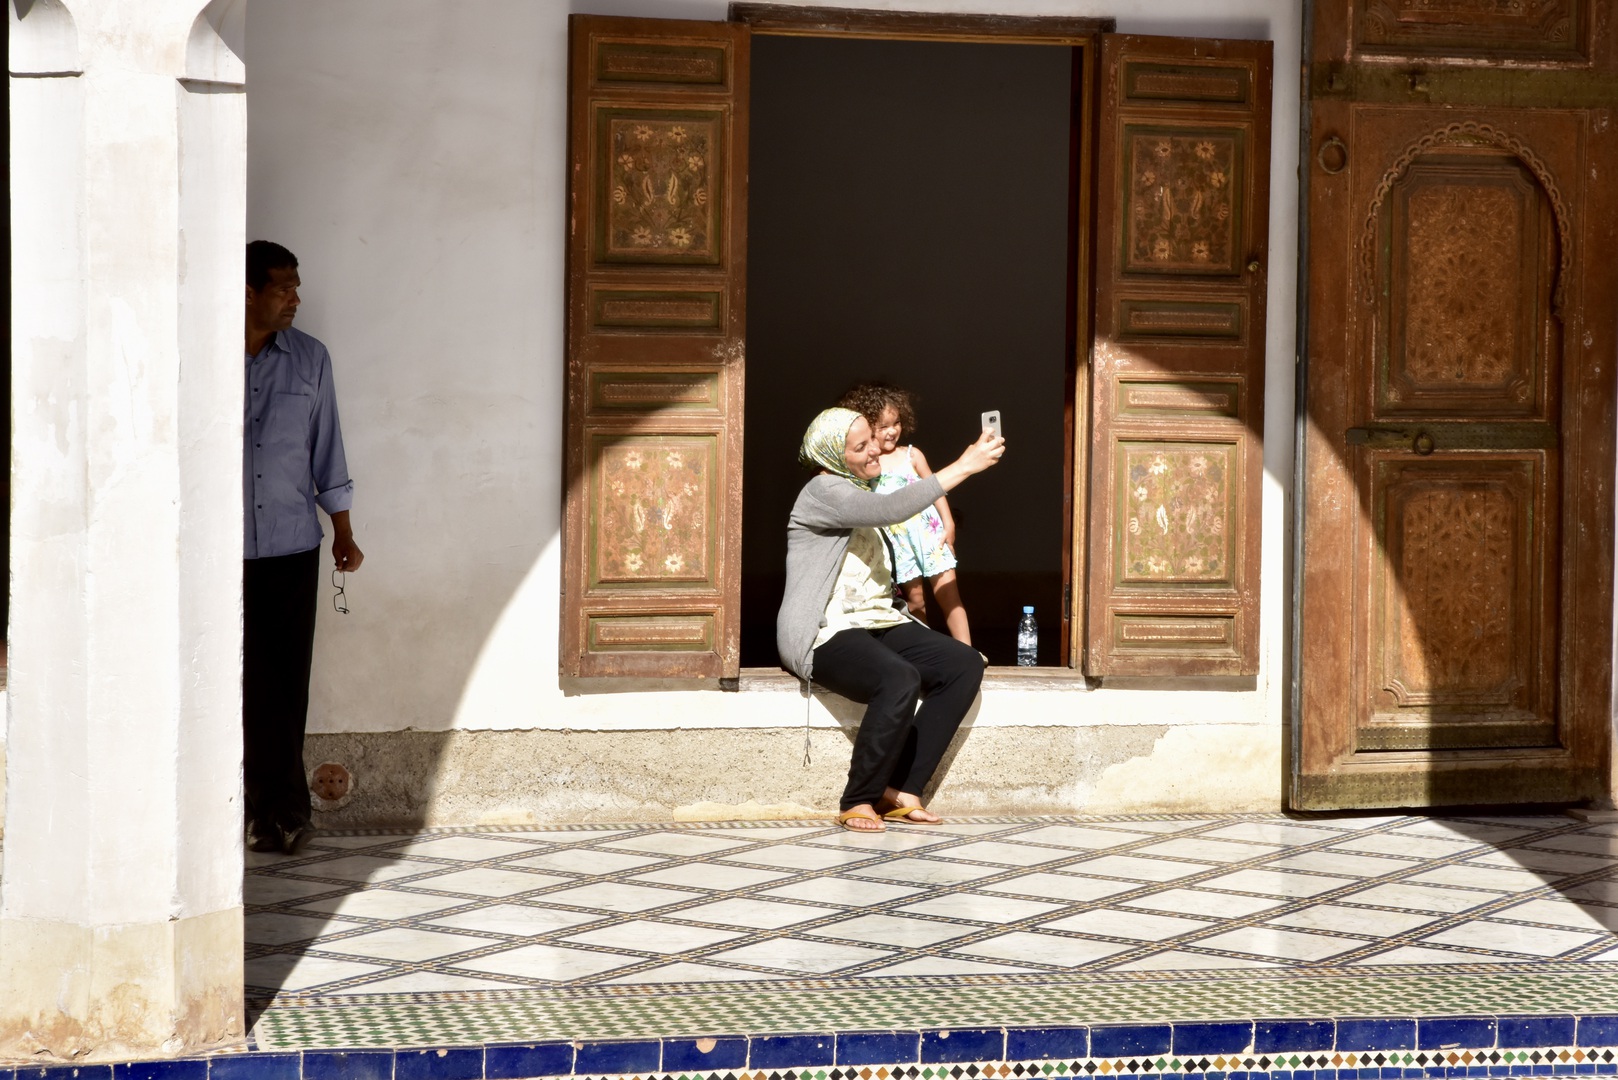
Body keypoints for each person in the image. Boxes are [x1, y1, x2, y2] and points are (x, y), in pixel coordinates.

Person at [778, 407, 1004, 832]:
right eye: (859, 447)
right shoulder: (823, 490)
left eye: (872, 441)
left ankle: (899, 788)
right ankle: (858, 799)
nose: (873, 451)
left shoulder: (869, 486)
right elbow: (894, 509)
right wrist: (965, 465)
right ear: (832, 456)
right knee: (898, 677)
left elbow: (905, 498)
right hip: (826, 630)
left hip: (878, 620)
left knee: (963, 664)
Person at [242, 240, 364, 855]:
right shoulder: (203, 355)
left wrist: (343, 531)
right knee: (249, 683)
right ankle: (275, 811)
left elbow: (328, 450)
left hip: (293, 547)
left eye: (296, 285)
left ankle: (278, 814)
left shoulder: (311, 360)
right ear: (247, 293)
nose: (295, 298)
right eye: (282, 287)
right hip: (222, 552)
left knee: (287, 683)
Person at [838, 383, 971, 645]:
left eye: (896, 423)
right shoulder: (870, 465)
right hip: (899, 545)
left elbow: (937, 489)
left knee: (948, 595)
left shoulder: (912, 455)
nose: (892, 431)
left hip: (931, 537)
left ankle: (969, 652)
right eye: (883, 426)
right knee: (915, 600)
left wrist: (949, 523)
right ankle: (933, 653)